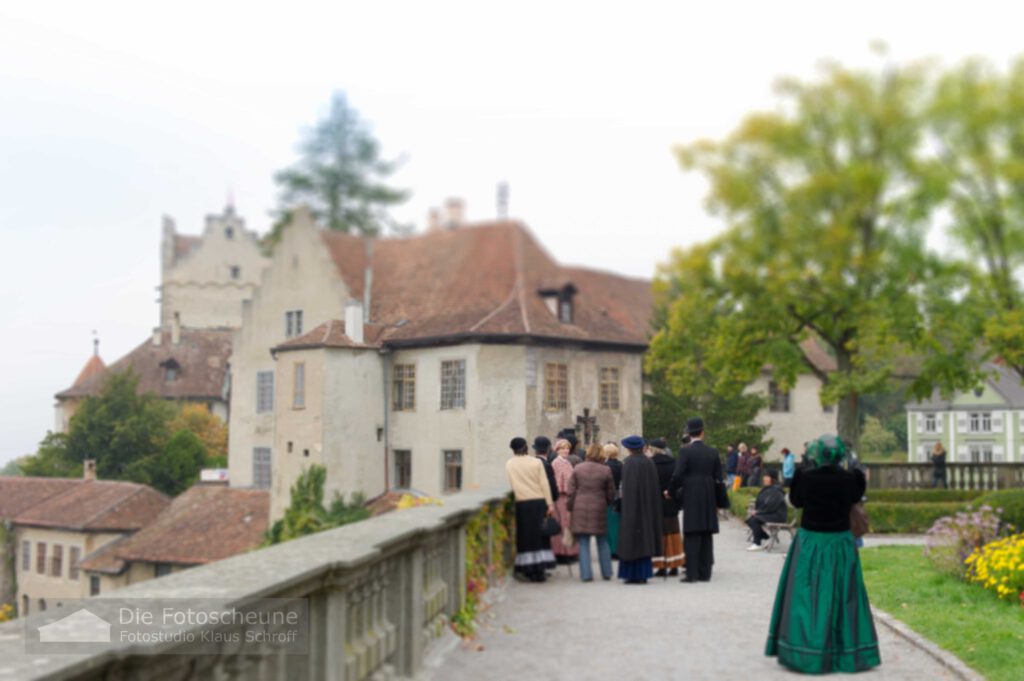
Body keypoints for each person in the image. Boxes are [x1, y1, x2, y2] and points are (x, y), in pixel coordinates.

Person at [765, 435, 880, 674]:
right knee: (843, 594)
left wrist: (801, 473)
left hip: (811, 542)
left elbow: (795, 502)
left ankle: (805, 649)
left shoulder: (805, 478)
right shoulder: (849, 479)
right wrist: (855, 469)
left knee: (807, 594)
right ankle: (844, 649)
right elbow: (857, 496)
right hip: (839, 543)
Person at [669, 417, 721, 583]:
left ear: (689, 434)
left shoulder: (685, 452)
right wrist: (719, 501)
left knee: (692, 533)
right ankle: (705, 573)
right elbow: (719, 477)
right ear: (702, 433)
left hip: (691, 494)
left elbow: (677, 475)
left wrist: (670, 491)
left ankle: (692, 574)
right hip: (708, 494)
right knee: (706, 533)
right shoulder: (713, 452)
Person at [505, 437, 556, 582]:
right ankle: (540, 570)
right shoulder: (536, 462)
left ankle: (528, 569)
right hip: (538, 502)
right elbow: (544, 483)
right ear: (526, 447)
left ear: (513, 449)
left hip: (521, 503)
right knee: (539, 536)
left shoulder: (509, 464)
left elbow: (510, 484)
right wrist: (550, 504)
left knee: (525, 537)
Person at [616, 435, 663, 584]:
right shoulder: (649, 463)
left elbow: (626, 489)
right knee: (644, 538)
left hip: (632, 507)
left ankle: (631, 574)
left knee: (631, 539)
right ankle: (643, 573)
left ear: (629, 448)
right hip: (647, 507)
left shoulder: (629, 463)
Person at [567, 444, 616, 581]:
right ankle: (606, 572)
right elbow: (611, 492)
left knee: (583, 542)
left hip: (580, 506)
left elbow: (571, 491)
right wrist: (608, 502)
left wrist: (570, 507)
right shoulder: (606, 470)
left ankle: (586, 574)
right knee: (602, 540)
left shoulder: (578, 468)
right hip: (599, 506)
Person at [650, 438, 684, 576]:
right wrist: (671, 493)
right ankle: (675, 564)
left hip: (656, 503)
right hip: (670, 502)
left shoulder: (651, 464)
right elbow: (679, 481)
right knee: (673, 533)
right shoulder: (674, 463)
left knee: (660, 534)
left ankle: (661, 566)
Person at [550, 439, 580, 565]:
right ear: (557, 450)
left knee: (568, 524)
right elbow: (557, 482)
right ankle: (561, 553)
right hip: (561, 497)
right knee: (563, 524)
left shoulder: (566, 462)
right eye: (562, 448)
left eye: (567, 448)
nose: (565, 450)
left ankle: (569, 551)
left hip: (569, 497)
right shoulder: (556, 463)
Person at [746, 470, 788, 550]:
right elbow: (763, 502)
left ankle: (757, 543)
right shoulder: (768, 488)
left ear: (773, 479)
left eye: (767, 477)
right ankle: (767, 537)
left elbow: (772, 505)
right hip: (770, 513)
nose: (764, 479)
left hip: (777, 515)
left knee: (754, 520)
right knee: (750, 519)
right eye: (764, 476)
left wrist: (758, 512)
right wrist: (757, 511)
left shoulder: (776, 490)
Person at [603, 442, 623, 559]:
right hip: (619, 498)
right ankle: (618, 548)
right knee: (618, 525)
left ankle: (611, 549)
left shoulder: (605, 466)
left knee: (609, 525)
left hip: (608, 498)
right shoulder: (621, 465)